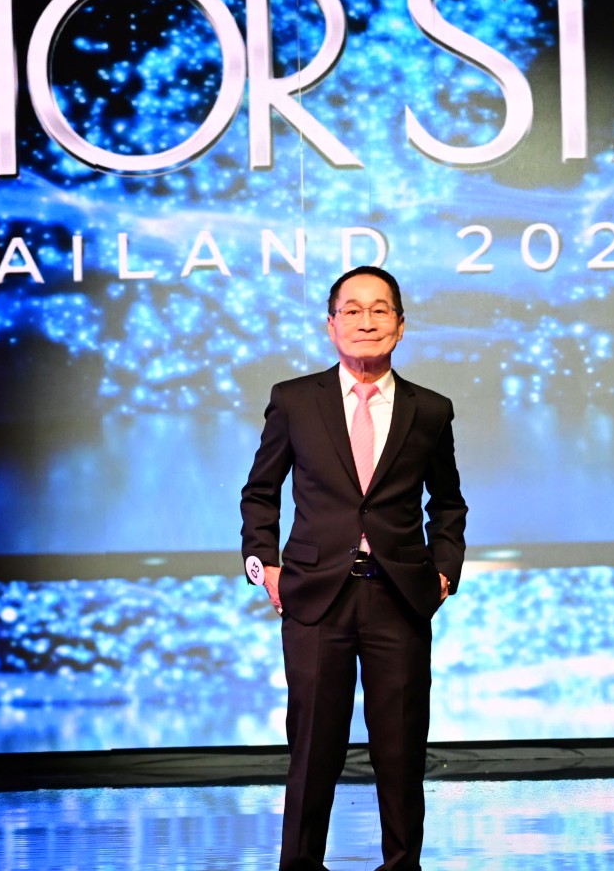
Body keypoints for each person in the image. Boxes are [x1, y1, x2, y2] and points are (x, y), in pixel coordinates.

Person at [240, 265, 468, 871]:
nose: (366, 321)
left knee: (401, 749)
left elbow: (448, 504)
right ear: (331, 324)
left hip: (400, 597)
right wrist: (265, 567)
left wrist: (444, 571)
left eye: (380, 309)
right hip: (315, 597)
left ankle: (401, 867)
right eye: (352, 310)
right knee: (314, 748)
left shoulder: (430, 410)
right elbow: (260, 492)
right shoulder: (294, 400)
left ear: (401, 325)